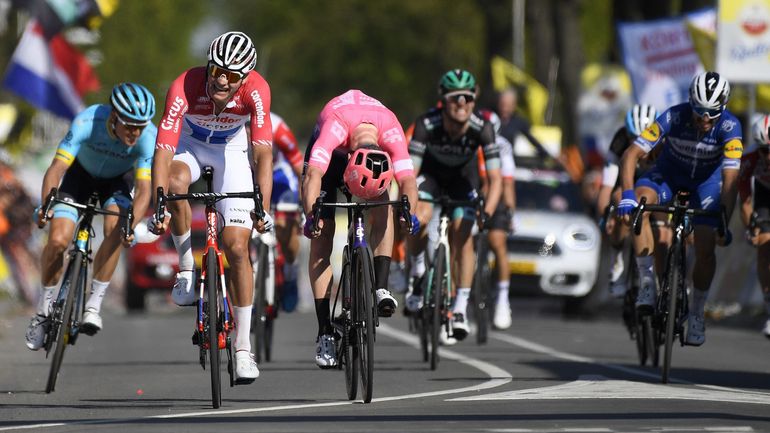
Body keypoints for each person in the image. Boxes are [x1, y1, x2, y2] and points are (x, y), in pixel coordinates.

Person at [150, 31, 273, 384]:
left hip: (231, 151)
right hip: (189, 145)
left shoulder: (257, 90)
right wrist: (160, 202)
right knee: (175, 184)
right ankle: (187, 269)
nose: (221, 80)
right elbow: (163, 149)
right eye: (216, 70)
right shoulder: (185, 85)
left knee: (237, 248)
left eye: (232, 76)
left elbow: (262, 154)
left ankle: (244, 348)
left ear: (245, 78)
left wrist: (262, 206)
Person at [25, 82, 156, 350]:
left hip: (116, 182)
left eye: (140, 126)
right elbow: (57, 167)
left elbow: (144, 189)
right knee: (58, 240)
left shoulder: (148, 136)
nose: (135, 132)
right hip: (79, 178)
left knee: (116, 229)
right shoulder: (87, 120)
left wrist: (132, 225)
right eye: (130, 125)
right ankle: (43, 312)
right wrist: (46, 205)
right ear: (114, 116)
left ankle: (93, 305)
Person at [618, 71, 741, 346]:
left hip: (706, 184)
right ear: (690, 103)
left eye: (712, 113)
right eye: (699, 112)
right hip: (668, 175)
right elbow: (631, 155)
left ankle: (696, 311)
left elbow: (731, 178)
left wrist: (723, 219)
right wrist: (627, 195)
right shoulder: (674, 115)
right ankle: (647, 283)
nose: (705, 120)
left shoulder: (731, 127)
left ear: (723, 108)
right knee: (640, 205)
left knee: (706, 247)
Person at [301, 89, 419, 368]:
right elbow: (313, 175)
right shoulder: (335, 126)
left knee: (385, 205)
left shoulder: (391, 129)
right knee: (322, 234)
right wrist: (311, 216)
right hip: (332, 160)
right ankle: (325, 331)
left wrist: (409, 214)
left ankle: (380, 287)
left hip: (371, 153)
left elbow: (408, 181)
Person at [405, 69, 502, 342]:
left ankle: (459, 307)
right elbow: (410, 173)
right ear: (443, 100)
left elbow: (495, 179)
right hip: (431, 177)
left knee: (463, 232)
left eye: (467, 98)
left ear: (474, 100)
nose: (461, 103)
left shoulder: (483, 128)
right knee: (420, 217)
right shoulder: (427, 123)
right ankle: (417, 269)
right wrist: (407, 205)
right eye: (455, 98)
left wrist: (488, 211)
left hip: (463, 179)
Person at [596, 103, 657, 297]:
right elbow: (606, 187)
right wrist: (606, 216)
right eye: (633, 139)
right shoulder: (619, 141)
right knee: (618, 200)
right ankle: (617, 258)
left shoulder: (663, 143)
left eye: (644, 139)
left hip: (652, 186)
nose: (639, 145)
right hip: (626, 184)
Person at [479, 109, 516, 330]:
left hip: (496, 195)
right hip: (473, 193)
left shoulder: (503, 145)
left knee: (498, 243)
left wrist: (510, 210)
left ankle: (503, 298)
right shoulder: (470, 141)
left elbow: (507, 181)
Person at [268, 112, 304, 312]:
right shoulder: (229, 117)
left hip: (280, 176)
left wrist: (304, 203)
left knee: (284, 226)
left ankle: (290, 270)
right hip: (250, 173)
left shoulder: (277, 127)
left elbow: (299, 168)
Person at [738, 114, 770, 338]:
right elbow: (745, 200)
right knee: (764, 246)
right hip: (765, 195)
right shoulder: (749, 158)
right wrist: (751, 227)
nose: (768, 157)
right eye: (764, 151)